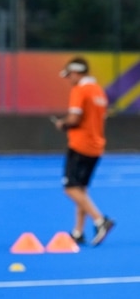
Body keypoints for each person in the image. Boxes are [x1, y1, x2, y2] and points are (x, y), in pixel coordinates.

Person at [53, 56, 115, 246]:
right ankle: (78, 231)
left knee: (71, 188)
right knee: (81, 189)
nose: (68, 79)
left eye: (69, 75)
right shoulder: (98, 91)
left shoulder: (80, 90)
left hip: (80, 145)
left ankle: (100, 220)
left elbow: (75, 119)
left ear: (76, 71)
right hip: (96, 146)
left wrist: (62, 124)